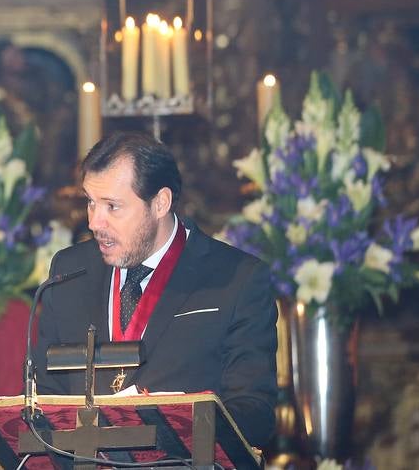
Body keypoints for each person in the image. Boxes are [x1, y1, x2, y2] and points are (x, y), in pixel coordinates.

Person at [31, 130, 277, 448]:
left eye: (112, 207)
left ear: (160, 203)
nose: (95, 222)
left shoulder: (237, 280)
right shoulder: (68, 273)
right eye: (91, 203)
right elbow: (45, 398)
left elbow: (255, 413)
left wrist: (175, 422)